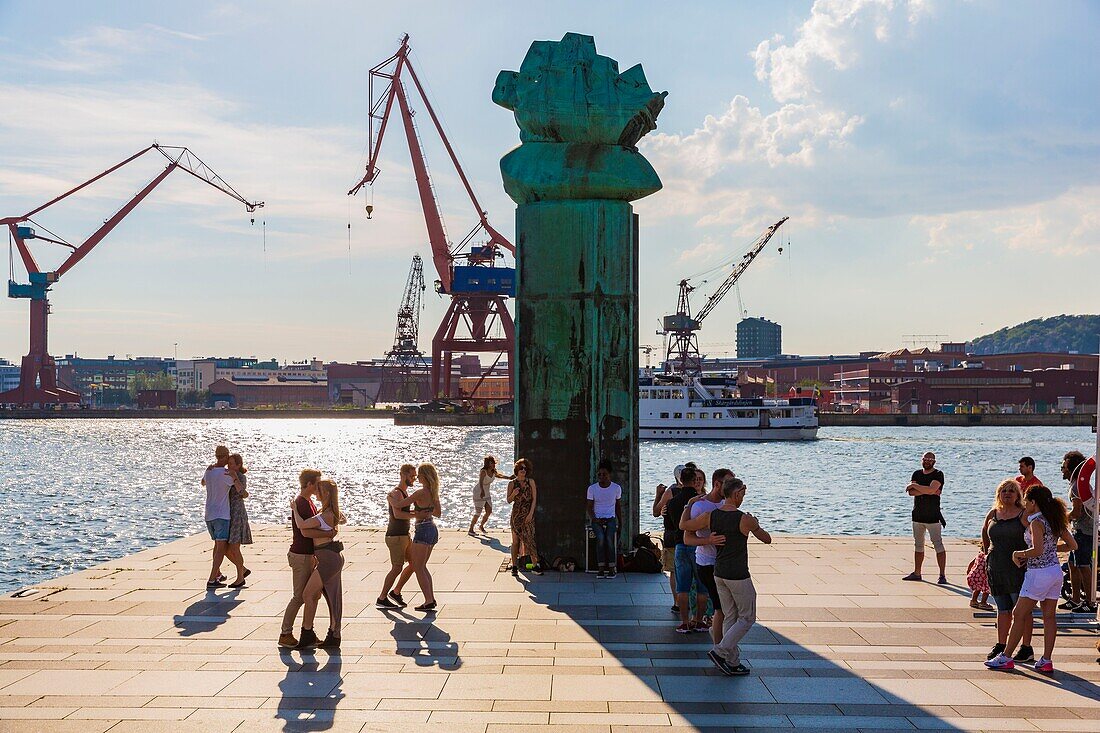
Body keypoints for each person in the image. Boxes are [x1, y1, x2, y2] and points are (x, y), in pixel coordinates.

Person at [679, 476, 772, 676]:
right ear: (736, 494)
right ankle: (720, 651)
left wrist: (689, 505)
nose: (743, 498)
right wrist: (755, 524)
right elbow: (767, 539)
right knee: (747, 617)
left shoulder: (711, 516)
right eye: (743, 495)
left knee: (730, 615)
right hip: (738, 574)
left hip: (718, 572)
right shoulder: (744, 519)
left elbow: (684, 526)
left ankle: (732, 661)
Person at [985, 484, 1078, 673]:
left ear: (1034, 502)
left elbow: (1036, 550)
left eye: (1027, 500)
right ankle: (1046, 660)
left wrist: (1018, 553)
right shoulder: (1054, 519)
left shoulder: (1037, 521)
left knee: (1018, 614)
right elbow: (1072, 545)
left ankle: (1006, 657)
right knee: (1049, 617)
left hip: (1038, 573)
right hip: (1054, 572)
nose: (1025, 503)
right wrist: (1051, 550)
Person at [278, 469, 335, 648]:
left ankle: (308, 631)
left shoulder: (307, 502)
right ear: (309, 484)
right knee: (300, 596)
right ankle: (285, 633)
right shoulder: (301, 502)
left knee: (313, 595)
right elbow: (304, 530)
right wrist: (328, 532)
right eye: (317, 483)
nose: (319, 487)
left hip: (308, 555)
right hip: (300, 555)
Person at [980, 478, 1033, 662]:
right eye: (1004, 491)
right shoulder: (994, 513)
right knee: (1002, 609)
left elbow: (1036, 535)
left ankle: (1026, 647)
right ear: (998, 494)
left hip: (1017, 568)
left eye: (1011, 491)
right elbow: (985, 531)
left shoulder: (1023, 514)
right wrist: (986, 552)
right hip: (996, 566)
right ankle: (1001, 644)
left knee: (1022, 610)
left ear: (1018, 495)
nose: (1007, 494)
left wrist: (1029, 555)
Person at [292, 478, 347, 649]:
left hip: (328, 559)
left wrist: (294, 509)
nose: (316, 492)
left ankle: (308, 633)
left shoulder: (326, 514)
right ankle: (332, 635)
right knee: (332, 597)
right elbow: (309, 531)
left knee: (309, 595)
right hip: (329, 557)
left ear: (327, 493)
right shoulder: (330, 512)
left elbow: (301, 525)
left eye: (319, 490)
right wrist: (327, 531)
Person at [681, 468, 734, 645]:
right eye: (728, 483)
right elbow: (687, 537)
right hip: (707, 563)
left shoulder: (728, 504)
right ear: (717, 484)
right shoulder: (701, 506)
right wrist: (708, 540)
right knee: (721, 608)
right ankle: (720, 647)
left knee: (726, 608)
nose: (732, 487)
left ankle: (720, 641)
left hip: (725, 564)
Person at [659, 466, 707, 629]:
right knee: (701, 586)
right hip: (698, 546)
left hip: (680, 545)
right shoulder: (702, 501)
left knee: (682, 586)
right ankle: (699, 620)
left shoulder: (672, 502)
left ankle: (685, 622)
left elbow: (672, 525)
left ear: (680, 480)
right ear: (694, 481)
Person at [391, 463, 443, 611]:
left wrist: (390, 499)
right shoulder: (433, 492)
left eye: (419, 474)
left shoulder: (420, 492)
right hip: (432, 529)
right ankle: (430, 598)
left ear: (424, 476)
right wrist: (425, 510)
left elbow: (400, 504)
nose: (417, 477)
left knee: (418, 568)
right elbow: (438, 513)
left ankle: (428, 601)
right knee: (422, 567)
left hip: (423, 530)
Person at [377, 464, 421, 609]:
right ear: (403, 475)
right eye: (411, 476)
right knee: (397, 567)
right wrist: (417, 514)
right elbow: (398, 514)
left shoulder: (404, 493)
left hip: (404, 534)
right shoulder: (396, 493)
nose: (414, 478)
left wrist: (417, 512)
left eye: (415, 476)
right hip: (395, 536)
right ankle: (382, 598)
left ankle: (395, 592)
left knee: (414, 563)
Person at [903, 451, 947, 584]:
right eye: (925, 459)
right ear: (921, 460)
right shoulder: (916, 473)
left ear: (934, 461)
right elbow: (911, 493)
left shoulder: (938, 474)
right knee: (918, 545)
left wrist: (916, 486)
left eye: (930, 459)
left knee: (938, 544)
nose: (927, 461)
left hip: (933, 516)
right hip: (917, 515)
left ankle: (942, 575)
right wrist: (929, 490)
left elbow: (931, 490)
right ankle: (917, 573)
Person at [1063, 451, 1096, 613]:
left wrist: (1062, 520)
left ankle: (1090, 602)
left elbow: (1077, 512)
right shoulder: (1077, 485)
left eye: (1064, 466)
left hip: (1083, 531)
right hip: (1081, 530)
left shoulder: (1076, 487)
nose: (1062, 469)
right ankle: (1075, 599)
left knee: (1083, 565)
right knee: (1072, 564)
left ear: (1071, 468)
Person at [653, 464, 687, 613]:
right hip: (690, 535)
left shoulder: (670, 492)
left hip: (672, 535)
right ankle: (687, 601)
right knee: (688, 570)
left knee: (674, 570)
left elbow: (655, 512)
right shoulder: (697, 493)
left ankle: (677, 602)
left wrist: (658, 495)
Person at [201, 445, 235, 589]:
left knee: (216, 545)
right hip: (222, 514)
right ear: (226, 457)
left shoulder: (209, 472)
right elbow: (237, 486)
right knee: (221, 547)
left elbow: (203, 482)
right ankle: (211, 579)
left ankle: (217, 574)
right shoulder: (226, 474)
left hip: (209, 514)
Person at [586, 460, 622, 579]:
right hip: (597, 519)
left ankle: (612, 567)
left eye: (604, 474)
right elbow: (589, 507)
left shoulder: (616, 488)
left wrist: (620, 522)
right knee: (600, 538)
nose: (601, 477)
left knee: (609, 539)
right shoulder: (592, 489)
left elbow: (618, 506)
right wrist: (595, 519)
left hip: (610, 518)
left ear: (609, 474)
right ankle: (601, 567)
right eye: (599, 474)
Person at [506, 458, 542, 576]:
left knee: (530, 539)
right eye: (521, 468)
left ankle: (535, 565)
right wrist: (513, 494)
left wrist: (531, 514)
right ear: (517, 470)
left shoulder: (530, 482)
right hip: (516, 515)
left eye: (525, 468)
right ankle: (514, 566)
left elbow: (534, 499)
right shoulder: (512, 483)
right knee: (515, 541)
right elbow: (508, 500)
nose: (523, 470)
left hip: (528, 514)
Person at [225, 453, 253, 588]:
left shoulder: (240, 477)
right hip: (227, 513)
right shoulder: (225, 475)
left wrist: (235, 477)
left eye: (232, 463)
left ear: (238, 465)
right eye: (228, 463)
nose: (229, 466)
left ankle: (240, 578)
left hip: (237, 514)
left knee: (235, 548)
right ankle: (243, 570)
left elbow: (243, 493)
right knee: (224, 548)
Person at [469, 456, 508, 535]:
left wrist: (509, 477)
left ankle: (481, 526)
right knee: (478, 512)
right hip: (479, 492)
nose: (493, 464)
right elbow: (480, 482)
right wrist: (482, 491)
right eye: (491, 463)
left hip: (487, 493)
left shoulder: (493, 471)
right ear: (487, 464)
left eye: (493, 462)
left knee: (489, 511)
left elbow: (499, 475)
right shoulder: (483, 471)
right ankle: (471, 530)